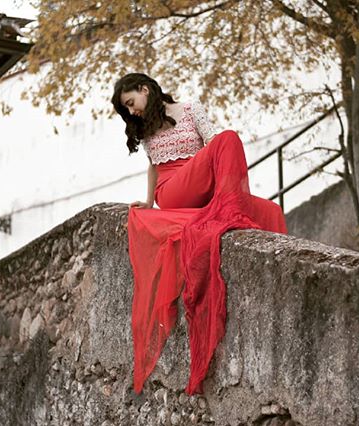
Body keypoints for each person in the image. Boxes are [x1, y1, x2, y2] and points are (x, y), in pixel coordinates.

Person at [111, 73, 287, 395]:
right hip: (174, 190)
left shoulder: (191, 110)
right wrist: (150, 202)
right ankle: (228, 210)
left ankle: (237, 221)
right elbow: (153, 166)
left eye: (131, 103)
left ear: (145, 90)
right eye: (127, 108)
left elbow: (213, 149)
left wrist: (224, 186)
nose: (132, 111)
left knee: (269, 211)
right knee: (229, 138)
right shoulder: (147, 128)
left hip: (204, 188)